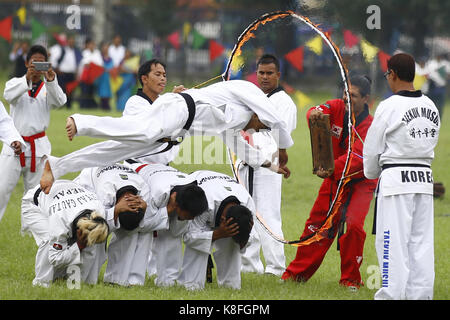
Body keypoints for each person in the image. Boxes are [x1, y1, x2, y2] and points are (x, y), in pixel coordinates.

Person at [40, 79, 293, 193]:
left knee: (119, 149)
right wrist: (282, 152)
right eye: (261, 126)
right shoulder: (248, 90)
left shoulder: (233, 126)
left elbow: (245, 151)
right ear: (261, 113)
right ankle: (81, 121)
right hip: (178, 108)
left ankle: (58, 165)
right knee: (142, 130)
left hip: (175, 128)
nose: (256, 129)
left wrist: (272, 165)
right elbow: (276, 118)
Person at [281, 75, 378, 290]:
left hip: (360, 182)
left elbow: (359, 158)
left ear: (366, 100)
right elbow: (313, 113)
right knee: (316, 225)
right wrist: (314, 114)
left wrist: (330, 168)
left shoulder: (371, 126)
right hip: (333, 177)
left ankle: (351, 281)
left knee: (353, 226)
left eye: (352, 95)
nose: (346, 98)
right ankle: (294, 275)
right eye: (345, 93)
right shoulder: (336, 106)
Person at [363, 53, 440, 300]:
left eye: (387, 74)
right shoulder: (430, 105)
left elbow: (372, 150)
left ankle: (391, 296)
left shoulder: (388, 106)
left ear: (392, 74)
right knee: (421, 243)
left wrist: (372, 173)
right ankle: (420, 296)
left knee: (391, 242)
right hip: (424, 179)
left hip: (396, 179)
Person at [239, 54, 297, 276]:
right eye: (261, 73)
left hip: (271, 163)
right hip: (246, 162)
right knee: (246, 212)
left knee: (268, 215)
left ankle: (275, 267)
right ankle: (249, 265)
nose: (264, 77)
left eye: (269, 73)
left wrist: (252, 124)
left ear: (278, 75)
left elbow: (278, 132)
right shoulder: (252, 96)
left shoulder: (284, 102)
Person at [73, 163, 177, 286]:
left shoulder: (144, 192)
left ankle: (117, 280)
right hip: (88, 182)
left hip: (118, 175)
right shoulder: (104, 194)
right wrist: (115, 210)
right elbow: (94, 224)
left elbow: (149, 222)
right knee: (94, 236)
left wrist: (146, 208)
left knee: (134, 232)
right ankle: (83, 279)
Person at [0, 45, 66, 222]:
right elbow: (7, 96)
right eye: (33, 62)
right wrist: (27, 79)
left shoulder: (47, 88)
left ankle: (40, 235)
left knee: (37, 196)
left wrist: (52, 80)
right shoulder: (15, 83)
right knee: (1, 190)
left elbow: (60, 101)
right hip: (14, 145)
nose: (37, 67)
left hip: (39, 147)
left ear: (47, 64)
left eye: (41, 63)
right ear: (26, 63)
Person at [128, 162, 208, 287]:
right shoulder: (157, 194)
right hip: (138, 174)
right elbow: (142, 225)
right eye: (190, 215)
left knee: (173, 234)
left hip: (163, 173)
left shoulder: (192, 194)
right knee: (143, 235)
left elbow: (177, 232)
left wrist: (179, 219)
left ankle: (167, 281)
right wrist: (167, 210)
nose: (192, 219)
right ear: (178, 205)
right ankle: (134, 280)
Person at [21, 180, 109, 287]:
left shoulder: (99, 212)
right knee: (48, 240)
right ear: (79, 231)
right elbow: (54, 257)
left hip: (63, 192)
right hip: (33, 204)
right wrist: (80, 245)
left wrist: (86, 244)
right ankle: (41, 284)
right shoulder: (60, 222)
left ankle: (82, 283)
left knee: (94, 244)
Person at [178, 169, 255, 290]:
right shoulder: (203, 203)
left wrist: (242, 242)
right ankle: (190, 284)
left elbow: (247, 237)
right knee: (198, 244)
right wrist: (217, 234)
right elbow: (189, 236)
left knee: (232, 239)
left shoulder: (248, 204)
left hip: (222, 186)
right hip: (198, 182)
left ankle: (230, 286)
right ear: (223, 219)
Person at [50, 35, 81, 109]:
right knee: (62, 90)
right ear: (67, 42)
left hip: (72, 73)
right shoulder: (63, 50)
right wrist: (57, 69)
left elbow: (77, 62)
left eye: (73, 41)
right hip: (63, 73)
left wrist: (77, 73)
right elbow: (55, 60)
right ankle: (61, 106)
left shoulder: (76, 51)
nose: (71, 43)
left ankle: (69, 105)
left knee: (71, 91)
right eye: (70, 41)